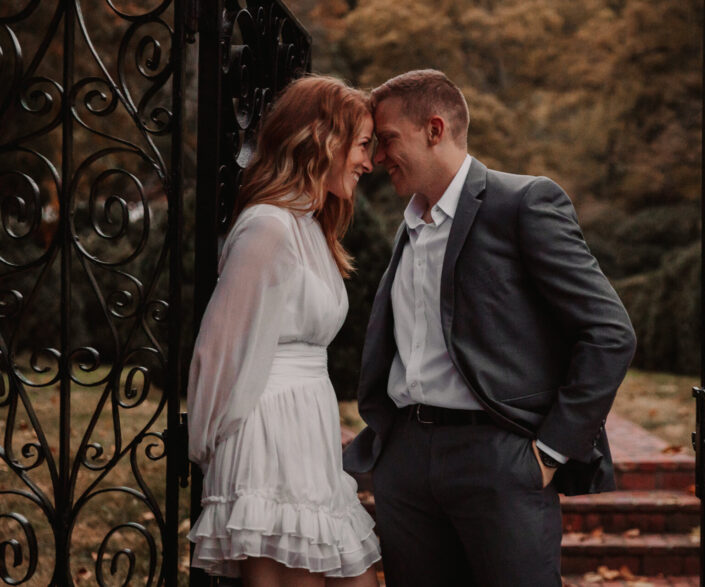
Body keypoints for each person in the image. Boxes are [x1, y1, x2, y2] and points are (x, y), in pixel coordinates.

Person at [343, 69, 637, 587]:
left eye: (388, 140)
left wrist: (548, 454)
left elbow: (609, 332)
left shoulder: (524, 202)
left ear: (434, 130)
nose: (379, 158)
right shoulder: (408, 226)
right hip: (405, 462)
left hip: (498, 459)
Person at [187, 75, 380, 587]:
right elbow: (217, 349)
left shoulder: (312, 227)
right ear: (324, 140)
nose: (369, 161)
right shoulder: (267, 226)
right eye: (362, 145)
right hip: (269, 435)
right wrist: (209, 448)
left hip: (310, 431)